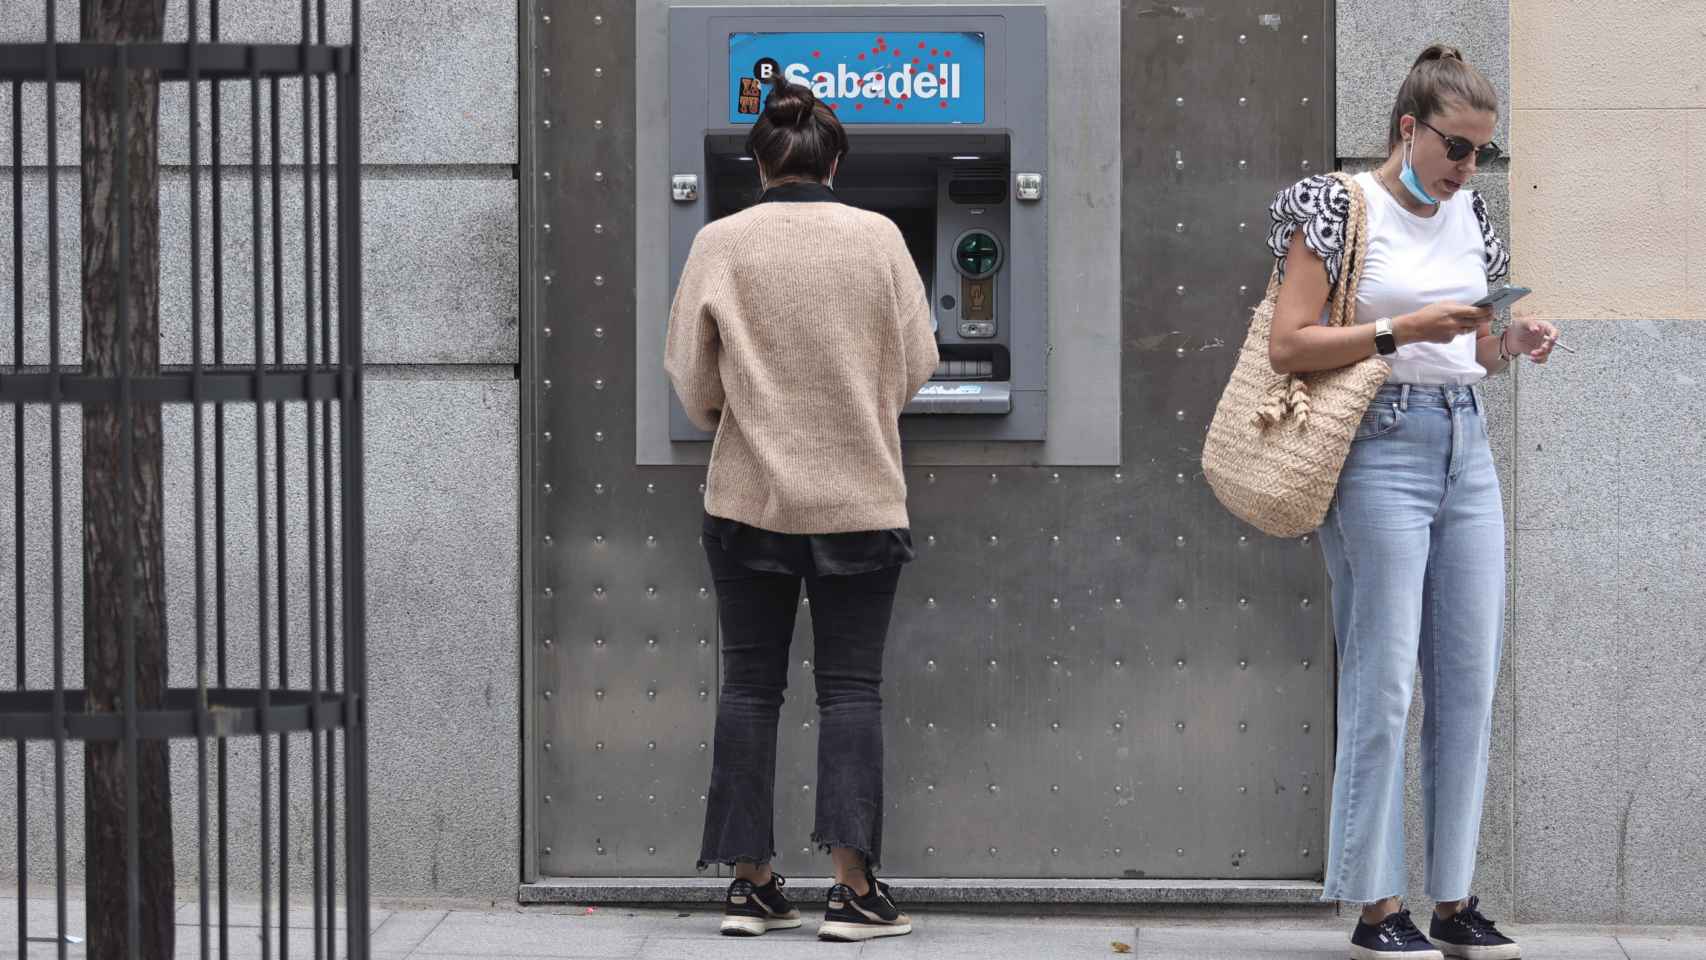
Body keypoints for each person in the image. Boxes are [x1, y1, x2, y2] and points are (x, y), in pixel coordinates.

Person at [1267, 45, 1557, 960]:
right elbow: (1288, 345)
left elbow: (1470, 354)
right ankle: (1376, 905)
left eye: (1483, 153)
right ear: (1407, 128)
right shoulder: (1338, 206)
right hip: (1377, 447)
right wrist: (1401, 328)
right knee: (1385, 680)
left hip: (1464, 440)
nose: (1470, 168)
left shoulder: (1471, 214)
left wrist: (1511, 344)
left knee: (1468, 680)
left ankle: (1454, 895)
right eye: (1457, 147)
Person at [664, 78, 938, 942]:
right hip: (860, 496)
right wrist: (857, 406)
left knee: (750, 688)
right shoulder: (881, 237)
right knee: (850, 689)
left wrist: (745, 415)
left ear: (757, 163)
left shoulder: (720, 242)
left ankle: (750, 885)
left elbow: (692, 381)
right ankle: (854, 893)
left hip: (747, 497)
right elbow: (918, 363)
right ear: (838, 160)